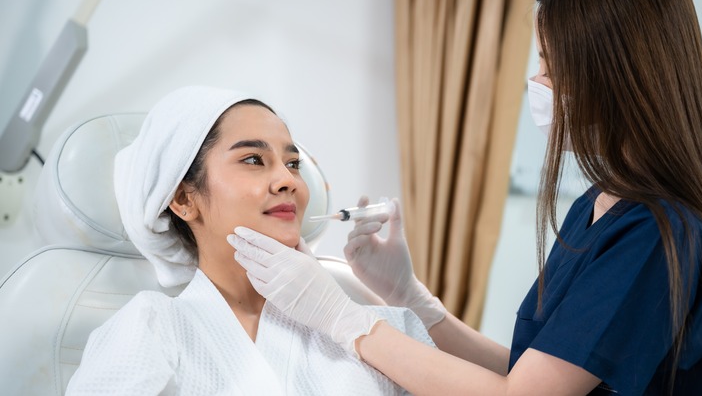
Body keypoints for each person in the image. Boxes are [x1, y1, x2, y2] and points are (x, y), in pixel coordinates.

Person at [227, 0, 702, 394]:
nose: (537, 80)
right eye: (253, 159)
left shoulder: (655, 234)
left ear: (611, 75)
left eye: (549, 63)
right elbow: (530, 372)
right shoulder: (597, 205)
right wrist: (412, 299)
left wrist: (340, 317)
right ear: (183, 201)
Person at [65, 86, 433, 395]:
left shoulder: (378, 327)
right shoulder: (151, 328)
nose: (287, 180)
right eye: (254, 159)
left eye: (292, 164)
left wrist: (410, 301)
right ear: (183, 199)